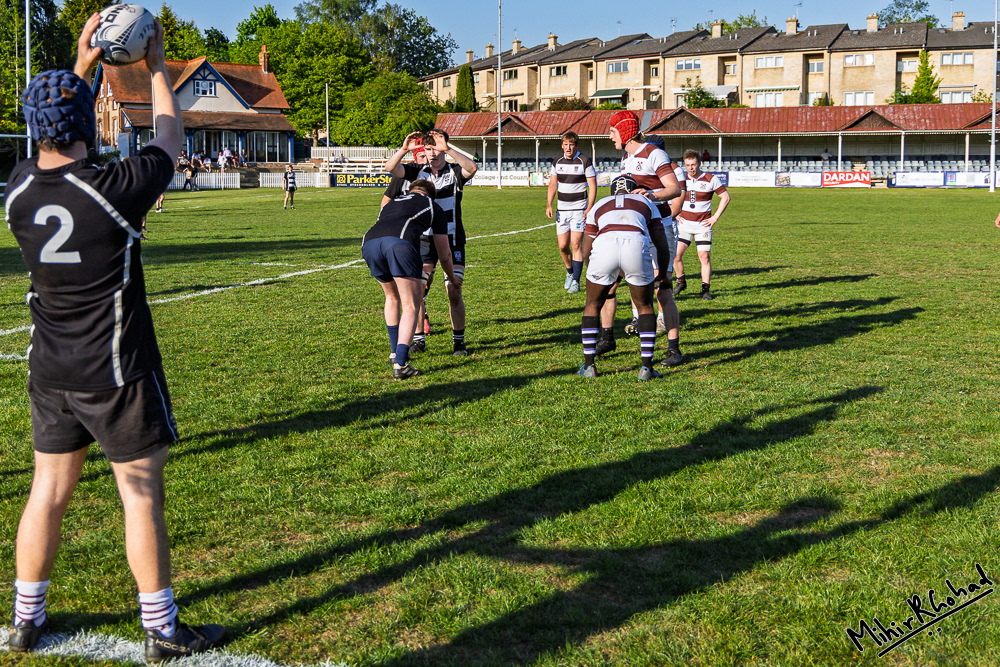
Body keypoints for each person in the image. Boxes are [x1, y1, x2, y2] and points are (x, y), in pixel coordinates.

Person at [3, 14, 224, 661]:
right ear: (80, 122)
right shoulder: (114, 190)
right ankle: (161, 629)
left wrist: (81, 60)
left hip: (50, 371)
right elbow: (167, 137)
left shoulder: (16, 190)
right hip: (117, 371)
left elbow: (61, 125)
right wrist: (156, 66)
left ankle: (25, 617)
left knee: (46, 490)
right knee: (139, 494)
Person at [595, 111, 684, 368]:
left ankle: (674, 349)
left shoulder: (654, 153)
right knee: (610, 284)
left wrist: (651, 194)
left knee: (661, 290)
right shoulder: (626, 158)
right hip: (633, 230)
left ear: (624, 131)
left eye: (612, 131)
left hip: (659, 228)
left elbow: (674, 189)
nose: (609, 136)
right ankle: (607, 337)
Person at [385, 130, 477, 356]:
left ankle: (459, 342)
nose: (432, 153)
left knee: (454, 289)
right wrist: (404, 149)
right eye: (428, 149)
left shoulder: (454, 172)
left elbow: (472, 168)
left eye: (436, 148)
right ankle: (418, 339)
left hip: (452, 239)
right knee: (418, 290)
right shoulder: (418, 172)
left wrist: (448, 149)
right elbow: (391, 168)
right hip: (423, 240)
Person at [578, 175, 673, 381]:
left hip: (604, 246)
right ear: (633, 190)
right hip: (635, 244)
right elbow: (661, 243)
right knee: (644, 306)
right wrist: (663, 274)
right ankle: (646, 368)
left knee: (593, 303)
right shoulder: (646, 201)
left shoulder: (600, 204)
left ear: (612, 191)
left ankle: (588, 366)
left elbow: (585, 249)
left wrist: (593, 271)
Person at [362, 179, 460, 378]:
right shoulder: (433, 206)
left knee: (391, 297)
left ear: (410, 190)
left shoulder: (392, 202)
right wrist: (451, 277)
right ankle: (401, 363)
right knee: (411, 305)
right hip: (399, 244)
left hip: (369, 243)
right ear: (430, 194)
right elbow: (444, 254)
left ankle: (394, 352)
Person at [673, 149, 731, 301]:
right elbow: (670, 197)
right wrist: (676, 214)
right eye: (687, 165)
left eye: (693, 164)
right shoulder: (681, 179)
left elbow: (725, 197)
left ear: (699, 163)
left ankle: (705, 289)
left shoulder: (711, 179)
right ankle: (681, 282)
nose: (691, 168)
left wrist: (715, 217)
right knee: (675, 256)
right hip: (684, 224)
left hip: (702, 225)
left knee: (704, 257)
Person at [546, 131, 597, 294]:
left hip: (578, 210)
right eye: (566, 145)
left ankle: (576, 281)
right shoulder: (557, 161)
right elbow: (553, 184)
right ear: (562, 145)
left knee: (576, 244)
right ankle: (570, 272)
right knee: (562, 246)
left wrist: (589, 207)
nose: (568, 148)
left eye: (571, 145)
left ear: (576, 145)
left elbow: (593, 185)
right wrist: (549, 204)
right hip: (562, 210)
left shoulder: (584, 161)